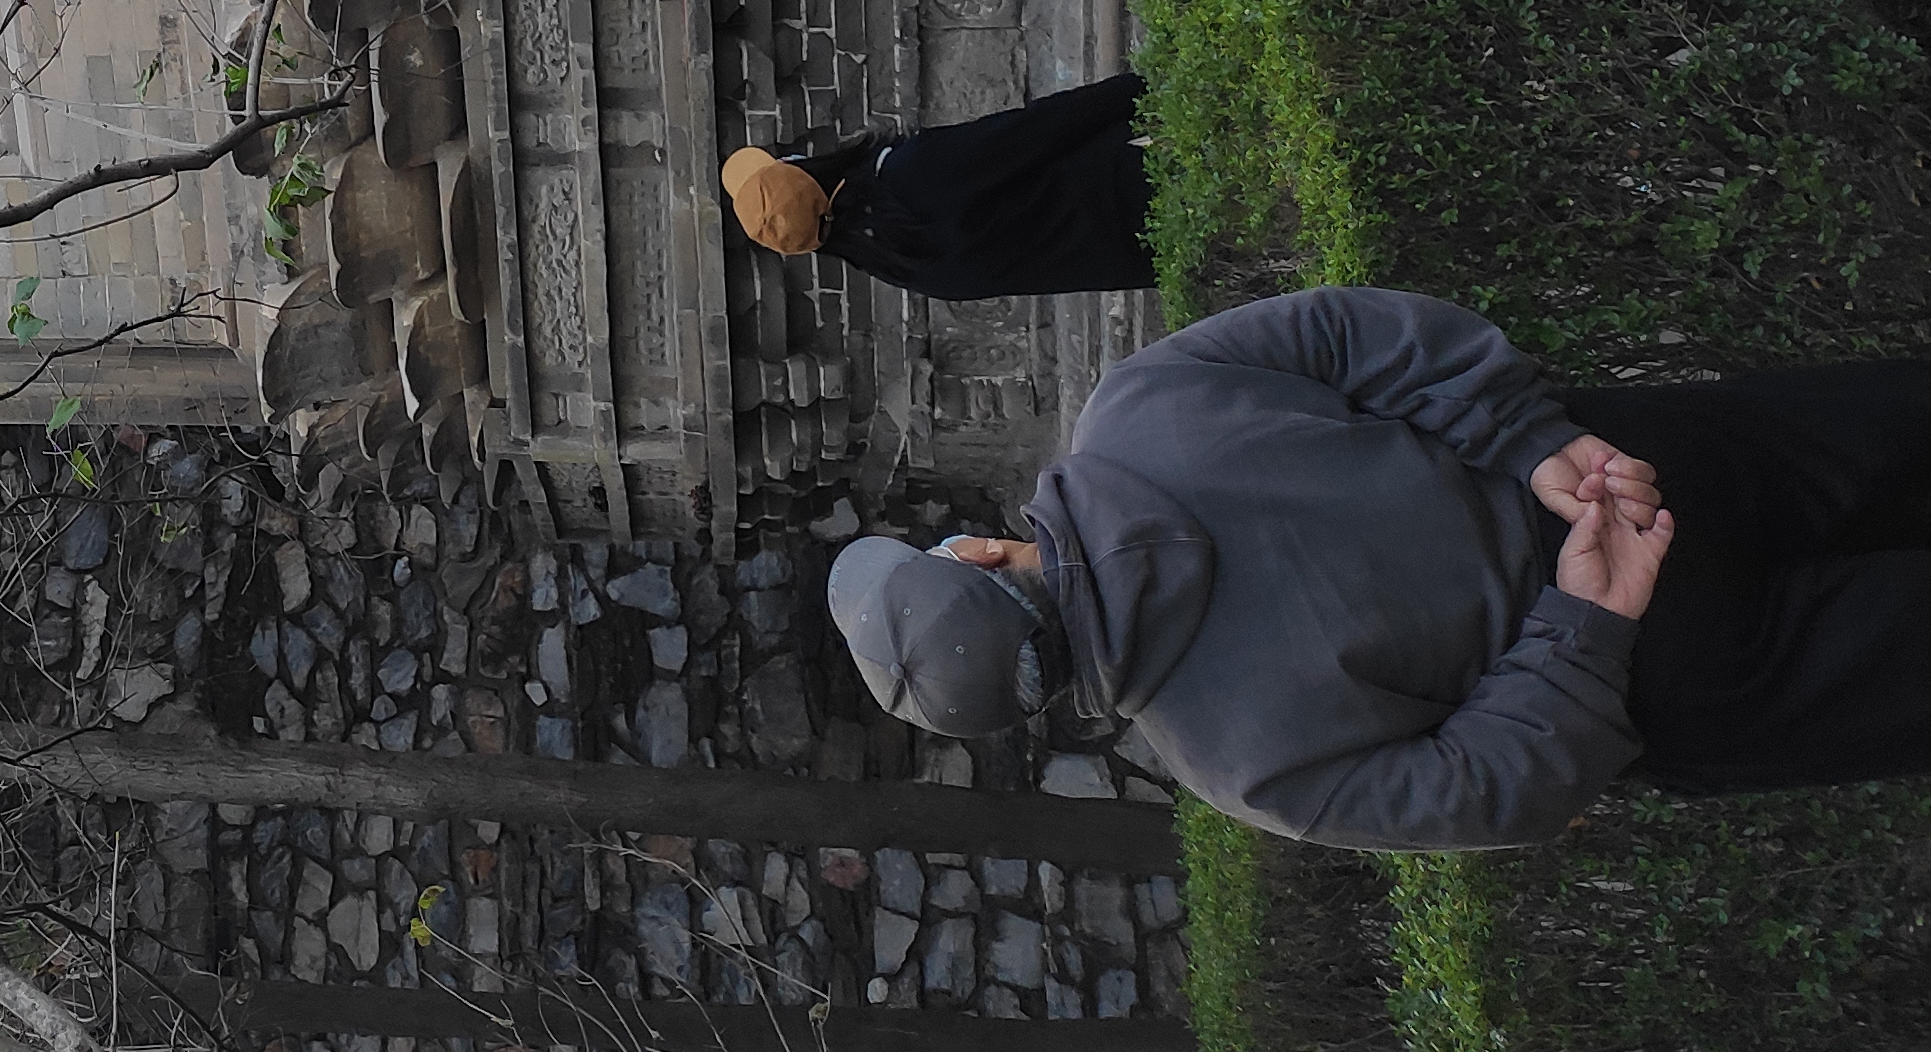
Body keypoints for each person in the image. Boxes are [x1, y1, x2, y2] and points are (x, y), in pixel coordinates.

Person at [824, 282, 1931, 850]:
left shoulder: (1240, 768)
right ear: (975, 552)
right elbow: (1358, 334)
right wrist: (1529, 442)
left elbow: (1492, 794)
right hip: (1625, 473)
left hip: (1666, 674)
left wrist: (1582, 625)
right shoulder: (1139, 406)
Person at [721, 71, 1154, 301]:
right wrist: (1141, 88)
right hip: (1143, 169)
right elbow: (1033, 132)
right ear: (803, 169)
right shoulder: (908, 178)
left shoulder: (898, 264)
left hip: (1154, 252)